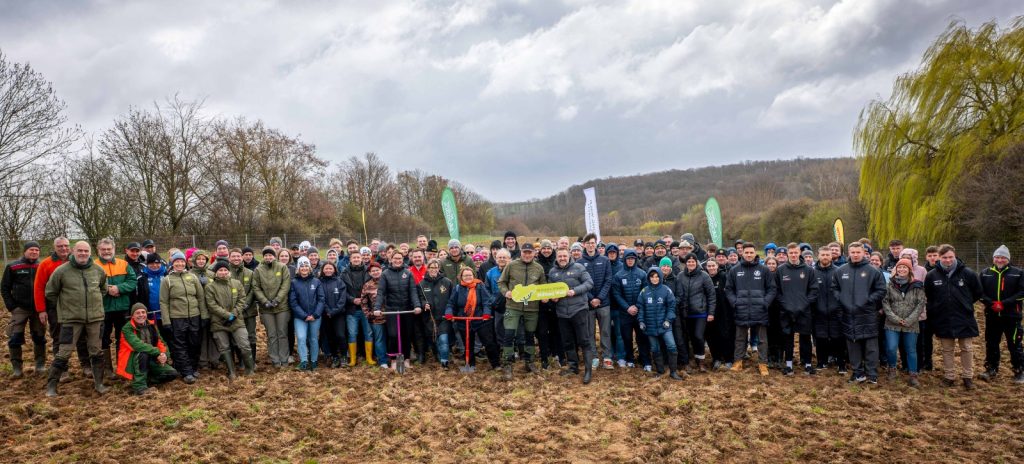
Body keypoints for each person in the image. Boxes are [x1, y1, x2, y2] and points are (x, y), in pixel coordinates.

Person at [44, 241, 109, 397]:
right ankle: (51, 386)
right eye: (79, 250)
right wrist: (66, 308)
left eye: (86, 251)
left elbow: (103, 290)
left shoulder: (98, 270)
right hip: (71, 320)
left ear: (90, 252)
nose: (83, 253)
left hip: (95, 319)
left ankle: (99, 384)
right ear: (73, 251)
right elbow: (50, 293)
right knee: (64, 352)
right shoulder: (62, 271)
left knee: (96, 351)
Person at [925, 244, 984, 389]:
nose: (948, 260)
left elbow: (978, 292)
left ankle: (968, 377)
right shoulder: (932, 275)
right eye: (944, 257)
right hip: (943, 317)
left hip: (964, 316)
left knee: (967, 348)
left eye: (950, 257)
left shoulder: (968, 273)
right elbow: (929, 295)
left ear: (955, 255)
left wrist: (965, 303)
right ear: (939, 257)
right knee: (947, 349)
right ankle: (949, 376)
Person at [831, 242, 887, 384]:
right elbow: (835, 288)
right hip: (848, 314)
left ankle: (872, 374)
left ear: (863, 253)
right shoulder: (841, 271)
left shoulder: (873, 271)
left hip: (868, 314)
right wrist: (841, 299)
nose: (855, 255)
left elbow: (881, 290)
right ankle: (857, 372)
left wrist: (868, 300)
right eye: (853, 252)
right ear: (848, 253)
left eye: (858, 252)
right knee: (852, 345)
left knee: (871, 346)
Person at [497, 242, 546, 379]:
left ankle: (529, 362)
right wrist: (506, 292)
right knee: (509, 334)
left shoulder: (538, 268)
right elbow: (501, 282)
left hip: (532, 307)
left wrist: (545, 296)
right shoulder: (511, 265)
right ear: (521, 252)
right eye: (525, 252)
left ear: (534, 253)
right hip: (513, 306)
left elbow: (543, 285)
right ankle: (507, 363)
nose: (527, 255)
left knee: (530, 335)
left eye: (530, 252)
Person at [726, 243, 776, 376]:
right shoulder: (734, 270)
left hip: (760, 310)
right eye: (746, 252)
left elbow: (772, 289)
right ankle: (738, 362)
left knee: (762, 340)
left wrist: (765, 302)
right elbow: (729, 289)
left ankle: (763, 364)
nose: (749, 255)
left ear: (755, 253)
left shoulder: (764, 270)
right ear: (742, 253)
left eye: (751, 252)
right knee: (740, 338)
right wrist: (735, 302)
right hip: (741, 309)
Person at [92, 237, 138, 379]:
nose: (106, 252)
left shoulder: (123, 264)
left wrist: (119, 288)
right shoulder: (93, 266)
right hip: (102, 308)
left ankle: (122, 367)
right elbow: (91, 285)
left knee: (122, 337)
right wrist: (108, 289)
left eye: (109, 249)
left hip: (122, 307)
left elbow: (132, 281)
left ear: (114, 249)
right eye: (103, 249)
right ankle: (108, 369)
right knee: (103, 339)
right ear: (98, 250)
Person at [549, 248, 595, 384]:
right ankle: (573, 367)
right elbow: (550, 290)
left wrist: (574, 291)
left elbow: (589, 283)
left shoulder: (578, 268)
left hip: (579, 309)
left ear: (569, 256)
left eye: (564, 256)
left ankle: (588, 370)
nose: (562, 258)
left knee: (584, 341)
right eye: (560, 256)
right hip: (562, 312)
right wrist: (553, 298)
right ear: (556, 257)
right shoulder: (552, 272)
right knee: (568, 341)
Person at [978, 245, 1024, 383]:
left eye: (1003, 257)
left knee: (1014, 344)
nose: (999, 260)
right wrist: (991, 303)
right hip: (992, 315)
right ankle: (991, 369)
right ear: (993, 258)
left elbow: (1022, 292)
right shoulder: (985, 273)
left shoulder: (1018, 273)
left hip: (1012, 316)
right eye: (997, 257)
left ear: (1008, 259)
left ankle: (1019, 370)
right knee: (991, 343)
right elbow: (979, 292)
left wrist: (1004, 303)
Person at [161, 251, 208, 384]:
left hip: (194, 315)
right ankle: (186, 372)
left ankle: (193, 367)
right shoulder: (167, 280)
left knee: (195, 343)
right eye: (177, 262)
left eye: (182, 261)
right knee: (180, 345)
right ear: (173, 264)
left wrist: (204, 315)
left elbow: (200, 297)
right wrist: (166, 321)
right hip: (177, 317)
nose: (180, 264)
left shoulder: (192, 277)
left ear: (185, 263)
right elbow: (163, 302)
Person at [205, 261, 254, 378]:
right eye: (220, 270)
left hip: (237, 320)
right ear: (216, 273)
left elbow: (242, 299)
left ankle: (249, 369)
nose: (223, 272)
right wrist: (227, 315)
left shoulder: (236, 284)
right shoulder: (210, 287)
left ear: (229, 271)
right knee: (224, 347)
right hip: (218, 322)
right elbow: (212, 305)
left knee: (244, 344)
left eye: (225, 270)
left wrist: (234, 313)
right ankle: (231, 371)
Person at [775, 243, 818, 376]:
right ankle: (788, 365)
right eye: (791, 253)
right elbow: (776, 291)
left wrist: (804, 303)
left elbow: (814, 290)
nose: (793, 255)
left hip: (804, 310)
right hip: (786, 310)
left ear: (799, 253)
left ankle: (808, 364)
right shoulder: (780, 270)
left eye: (795, 252)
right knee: (788, 338)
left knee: (805, 338)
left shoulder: (809, 270)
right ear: (787, 254)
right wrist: (785, 304)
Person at [115, 303, 178, 395]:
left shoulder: (151, 325)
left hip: (152, 357)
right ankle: (139, 387)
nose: (141, 315)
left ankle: (148, 380)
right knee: (143, 354)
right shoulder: (127, 329)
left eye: (143, 312)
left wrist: (164, 354)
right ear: (132, 316)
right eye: (137, 313)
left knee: (172, 374)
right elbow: (138, 346)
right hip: (133, 359)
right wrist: (157, 353)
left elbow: (160, 342)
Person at [375, 252, 423, 371]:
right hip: (392, 309)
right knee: (393, 335)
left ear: (403, 259)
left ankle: (406, 358)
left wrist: (417, 305)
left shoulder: (408, 273)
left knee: (406, 334)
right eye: (395, 258)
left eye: (400, 258)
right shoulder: (385, 274)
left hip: (406, 309)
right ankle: (393, 359)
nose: (398, 260)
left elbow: (412, 291)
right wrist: (377, 308)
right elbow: (381, 292)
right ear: (391, 259)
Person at [882, 258, 925, 387]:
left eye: (904, 267)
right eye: (899, 267)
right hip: (892, 323)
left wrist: (909, 320)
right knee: (891, 348)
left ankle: (913, 375)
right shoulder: (890, 284)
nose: (901, 269)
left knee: (911, 349)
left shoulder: (917, 285)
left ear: (909, 270)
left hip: (911, 324)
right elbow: (885, 303)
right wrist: (895, 319)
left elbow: (920, 304)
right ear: (895, 269)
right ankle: (892, 369)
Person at [3, 240, 43, 378]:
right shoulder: (13, 266)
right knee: (15, 338)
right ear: (25, 251)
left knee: (39, 337)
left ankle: (40, 366)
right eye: (31, 249)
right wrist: (11, 306)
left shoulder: (41, 266)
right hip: (19, 308)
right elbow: (5, 288)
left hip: (38, 308)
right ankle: (17, 369)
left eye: (37, 250)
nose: (34, 252)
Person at [444, 266, 494, 372]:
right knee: (467, 345)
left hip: (480, 319)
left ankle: (495, 364)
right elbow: (451, 303)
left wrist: (486, 313)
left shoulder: (480, 286)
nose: (468, 277)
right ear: (461, 277)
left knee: (488, 342)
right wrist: (449, 313)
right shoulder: (457, 288)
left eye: (470, 275)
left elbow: (487, 301)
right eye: (465, 275)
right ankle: (470, 365)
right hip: (463, 320)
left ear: (473, 276)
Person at [637, 266, 682, 380]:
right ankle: (660, 371)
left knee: (671, 346)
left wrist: (668, 320)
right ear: (649, 278)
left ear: (660, 277)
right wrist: (641, 321)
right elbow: (641, 308)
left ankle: (673, 372)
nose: (655, 279)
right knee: (655, 349)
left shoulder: (666, 290)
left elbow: (671, 306)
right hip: (650, 326)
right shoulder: (644, 291)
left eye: (657, 276)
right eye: (652, 277)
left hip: (665, 325)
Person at [578, 233, 614, 370]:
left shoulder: (605, 260)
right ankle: (593, 357)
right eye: (588, 243)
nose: (590, 245)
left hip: (603, 303)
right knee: (590, 332)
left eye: (593, 243)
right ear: (584, 245)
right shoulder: (579, 263)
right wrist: (591, 298)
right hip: (587, 304)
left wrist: (599, 298)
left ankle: (607, 357)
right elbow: (580, 283)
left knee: (605, 331)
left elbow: (608, 280)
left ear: (596, 244)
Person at [675, 253, 716, 373]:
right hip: (685, 313)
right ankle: (688, 361)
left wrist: (711, 312)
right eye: (689, 261)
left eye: (693, 261)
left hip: (700, 312)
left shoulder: (704, 276)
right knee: (686, 338)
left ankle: (701, 361)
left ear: (696, 262)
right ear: (686, 263)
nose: (691, 263)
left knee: (698, 336)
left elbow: (711, 295)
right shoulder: (680, 276)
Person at [253, 247, 292, 368]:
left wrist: (277, 300)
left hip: (282, 307)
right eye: (266, 255)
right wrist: (264, 301)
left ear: (274, 256)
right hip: (266, 309)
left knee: (282, 333)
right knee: (271, 334)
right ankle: (275, 359)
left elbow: (286, 285)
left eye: (270, 255)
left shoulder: (282, 267)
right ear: (263, 257)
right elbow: (256, 287)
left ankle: (284, 359)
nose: (268, 257)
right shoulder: (258, 270)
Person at [613, 249, 650, 371]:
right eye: (628, 259)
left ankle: (645, 361)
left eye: (632, 259)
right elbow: (617, 294)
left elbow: (645, 292)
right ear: (624, 259)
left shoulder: (642, 274)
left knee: (642, 337)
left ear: (635, 260)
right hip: (625, 313)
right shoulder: (618, 275)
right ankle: (630, 359)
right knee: (627, 337)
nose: (630, 261)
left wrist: (637, 307)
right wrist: (627, 307)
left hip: (639, 313)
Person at [813, 246, 846, 373]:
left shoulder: (839, 271)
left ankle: (841, 364)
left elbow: (843, 290)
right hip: (819, 311)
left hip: (836, 311)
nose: (825, 257)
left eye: (827, 255)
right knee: (820, 338)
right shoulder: (812, 272)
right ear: (818, 256)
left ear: (831, 256)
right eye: (823, 255)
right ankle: (821, 362)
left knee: (838, 338)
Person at [290, 257, 325, 371]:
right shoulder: (294, 283)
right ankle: (304, 361)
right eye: (302, 266)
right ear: (298, 269)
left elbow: (321, 299)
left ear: (309, 268)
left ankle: (314, 361)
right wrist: (304, 315)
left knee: (313, 338)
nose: (304, 268)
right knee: (301, 338)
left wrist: (315, 314)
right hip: (300, 317)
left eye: (306, 266)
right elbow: (293, 302)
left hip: (315, 316)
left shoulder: (316, 281)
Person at [535, 240, 564, 369]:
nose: (546, 250)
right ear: (540, 250)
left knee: (556, 330)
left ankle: (558, 355)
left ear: (552, 250)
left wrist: (557, 295)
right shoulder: (536, 264)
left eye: (548, 248)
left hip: (556, 302)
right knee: (542, 331)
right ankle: (544, 357)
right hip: (541, 303)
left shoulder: (556, 263)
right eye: (544, 248)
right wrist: (541, 296)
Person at [342, 251, 373, 366]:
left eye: (358, 257)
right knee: (352, 334)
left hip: (366, 308)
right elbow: (342, 291)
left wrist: (364, 299)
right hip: (352, 309)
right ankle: (353, 359)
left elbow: (373, 287)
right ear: (350, 259)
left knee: (368, 333)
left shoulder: (368, 271)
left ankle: (369, 358)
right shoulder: (344, 273)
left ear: (361, 258)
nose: (356, 259)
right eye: (353, 257)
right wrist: (352, 299)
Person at [421, 259, 453, 368]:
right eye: (431, 267)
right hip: (430, 318)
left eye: (435, 267)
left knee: (443, 339)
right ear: (428, 268)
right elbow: (420, 298)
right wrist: (424, 304)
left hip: (444, 317)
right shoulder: (422, 284)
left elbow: (452, 299)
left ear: (439, 268)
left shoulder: (447, 282)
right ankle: (438, 356)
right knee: (434, 341)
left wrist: (450, 312)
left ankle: (444, 362)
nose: (433, 269)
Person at [227, 249, 257, 365]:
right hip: (233, 311)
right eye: (233, 256)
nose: (236, 258)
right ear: (229, 258)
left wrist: (246, 303)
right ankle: (241, 361)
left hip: (249, 310)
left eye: (238, 256)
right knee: (236, 337)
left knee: (251, 335)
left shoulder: (250, 273)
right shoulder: (225, 272)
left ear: (242, 257)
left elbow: (253, 289)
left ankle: (252, 361)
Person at [705, 259, 734, 369]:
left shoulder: (724, 276)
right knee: (712, 336)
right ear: (706, 267)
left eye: (713, 265)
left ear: (717, 266)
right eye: (709, 266)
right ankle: (716, 358)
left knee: (725, 335)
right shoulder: (705, 278)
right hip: (710, 312)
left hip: (724, 311)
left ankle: (728, 359)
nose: (711, 268)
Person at [319, 262, 348, 368]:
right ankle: (335, 356)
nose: (328, 270)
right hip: (325, 314)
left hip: (339, 314)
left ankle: (344, 356)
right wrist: (327, 311)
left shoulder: (339, 281)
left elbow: (342, 299)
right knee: (330, 337)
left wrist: (334, 311)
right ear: (323, 270)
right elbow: (321, 298)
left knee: (340, 335)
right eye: (326, 268)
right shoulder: (319, 282)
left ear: (334, 270)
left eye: (330, 268)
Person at [361, 262, 388, 368]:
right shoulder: (367, 285)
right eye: (373, 271)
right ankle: (382, 361)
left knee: (392, 337)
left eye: (377, 270)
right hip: (376, 318)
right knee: (379, 339)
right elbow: (363, 302)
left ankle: (392, 358)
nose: (375, 272)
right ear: (370, 273)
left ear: (381, 270)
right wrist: (368, 314)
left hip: (390, 316)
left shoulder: (387, 281)